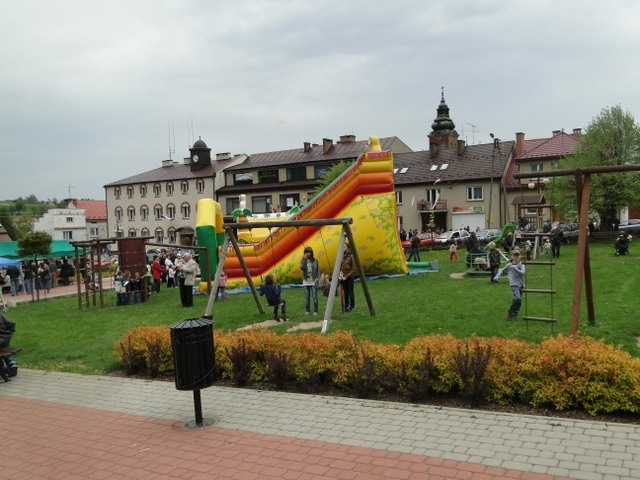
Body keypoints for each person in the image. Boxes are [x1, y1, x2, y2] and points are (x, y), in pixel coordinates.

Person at [493, 250, 526, 320]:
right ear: (512, 256)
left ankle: (513, 313)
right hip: (514, 284)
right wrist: (497, 276)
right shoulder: (509, 265)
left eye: (518, 255)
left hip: (521, 285)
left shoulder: (521, 265)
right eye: (515, 255)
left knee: (518, 301)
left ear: (520, 256)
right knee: (517, 298)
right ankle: (511, 312)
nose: (516, 257)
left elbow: (523, 273)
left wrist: (516, 268)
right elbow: (502, 270)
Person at [300, 246, 319, 315]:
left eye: (309, 252)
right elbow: (302, 268)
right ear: (305, 253)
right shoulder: (303, 260)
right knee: (307, 298)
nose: (308, 254)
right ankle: (307, 310)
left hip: (313, 281)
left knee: (314, 297)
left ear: (311, 253)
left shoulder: (315, 260)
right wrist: (304, 259)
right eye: (307, 252)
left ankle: (315, 311)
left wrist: (317, 279)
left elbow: (318, 270)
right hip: (306, 281)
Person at [340, 243, 356, 312]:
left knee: (350, 292)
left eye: (344, 246)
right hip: (343, 276)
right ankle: (346, 306)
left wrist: (346, 276)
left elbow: (353, 269)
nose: (343, 248)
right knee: (345, 292)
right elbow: (341, 267)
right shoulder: (342, 256)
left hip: (349, 276)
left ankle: (352, 306)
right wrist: (341, 275)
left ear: (347, 247)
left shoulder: (351, 256)